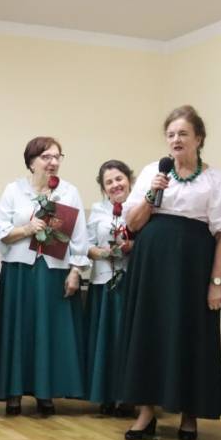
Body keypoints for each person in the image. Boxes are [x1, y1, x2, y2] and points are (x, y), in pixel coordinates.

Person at [120, 105, 221, 440]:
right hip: (151, 267)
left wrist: (216, 283)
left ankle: (189, 413)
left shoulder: (213, 179)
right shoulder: (152, 172)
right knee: (149, 332)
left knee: (191, 334)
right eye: (171, 134)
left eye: (183, 133)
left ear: (198, 138)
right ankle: (146, 412)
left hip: (192, 268)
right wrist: (151, 194)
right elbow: (133, 224)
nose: (176, 139)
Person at [0, 136, 89, 416]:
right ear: (31, 162)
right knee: (19, 330)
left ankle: (46, 392)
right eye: (46, 157)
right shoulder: (14, 190)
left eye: (57, 157)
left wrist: (75, 271)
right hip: (20, 271)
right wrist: (26, 229)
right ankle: (13, 391)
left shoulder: (69, 192)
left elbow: (79, 237)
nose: (53, 162)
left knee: (50, 332)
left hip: (54, 271)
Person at [84, 160, 134, 415]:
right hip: (104, 282)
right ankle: (105, 394)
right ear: (103, 189)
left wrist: (131, 247)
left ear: (129, 180)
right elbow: (87, 246)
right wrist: (105, 253)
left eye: (119, 179)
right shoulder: (98, 210)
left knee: (128, 340)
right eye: (109, 182)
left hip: (133, 281)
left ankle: (129, 396)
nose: (115, 185)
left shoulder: (141, 207)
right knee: (106, 341)